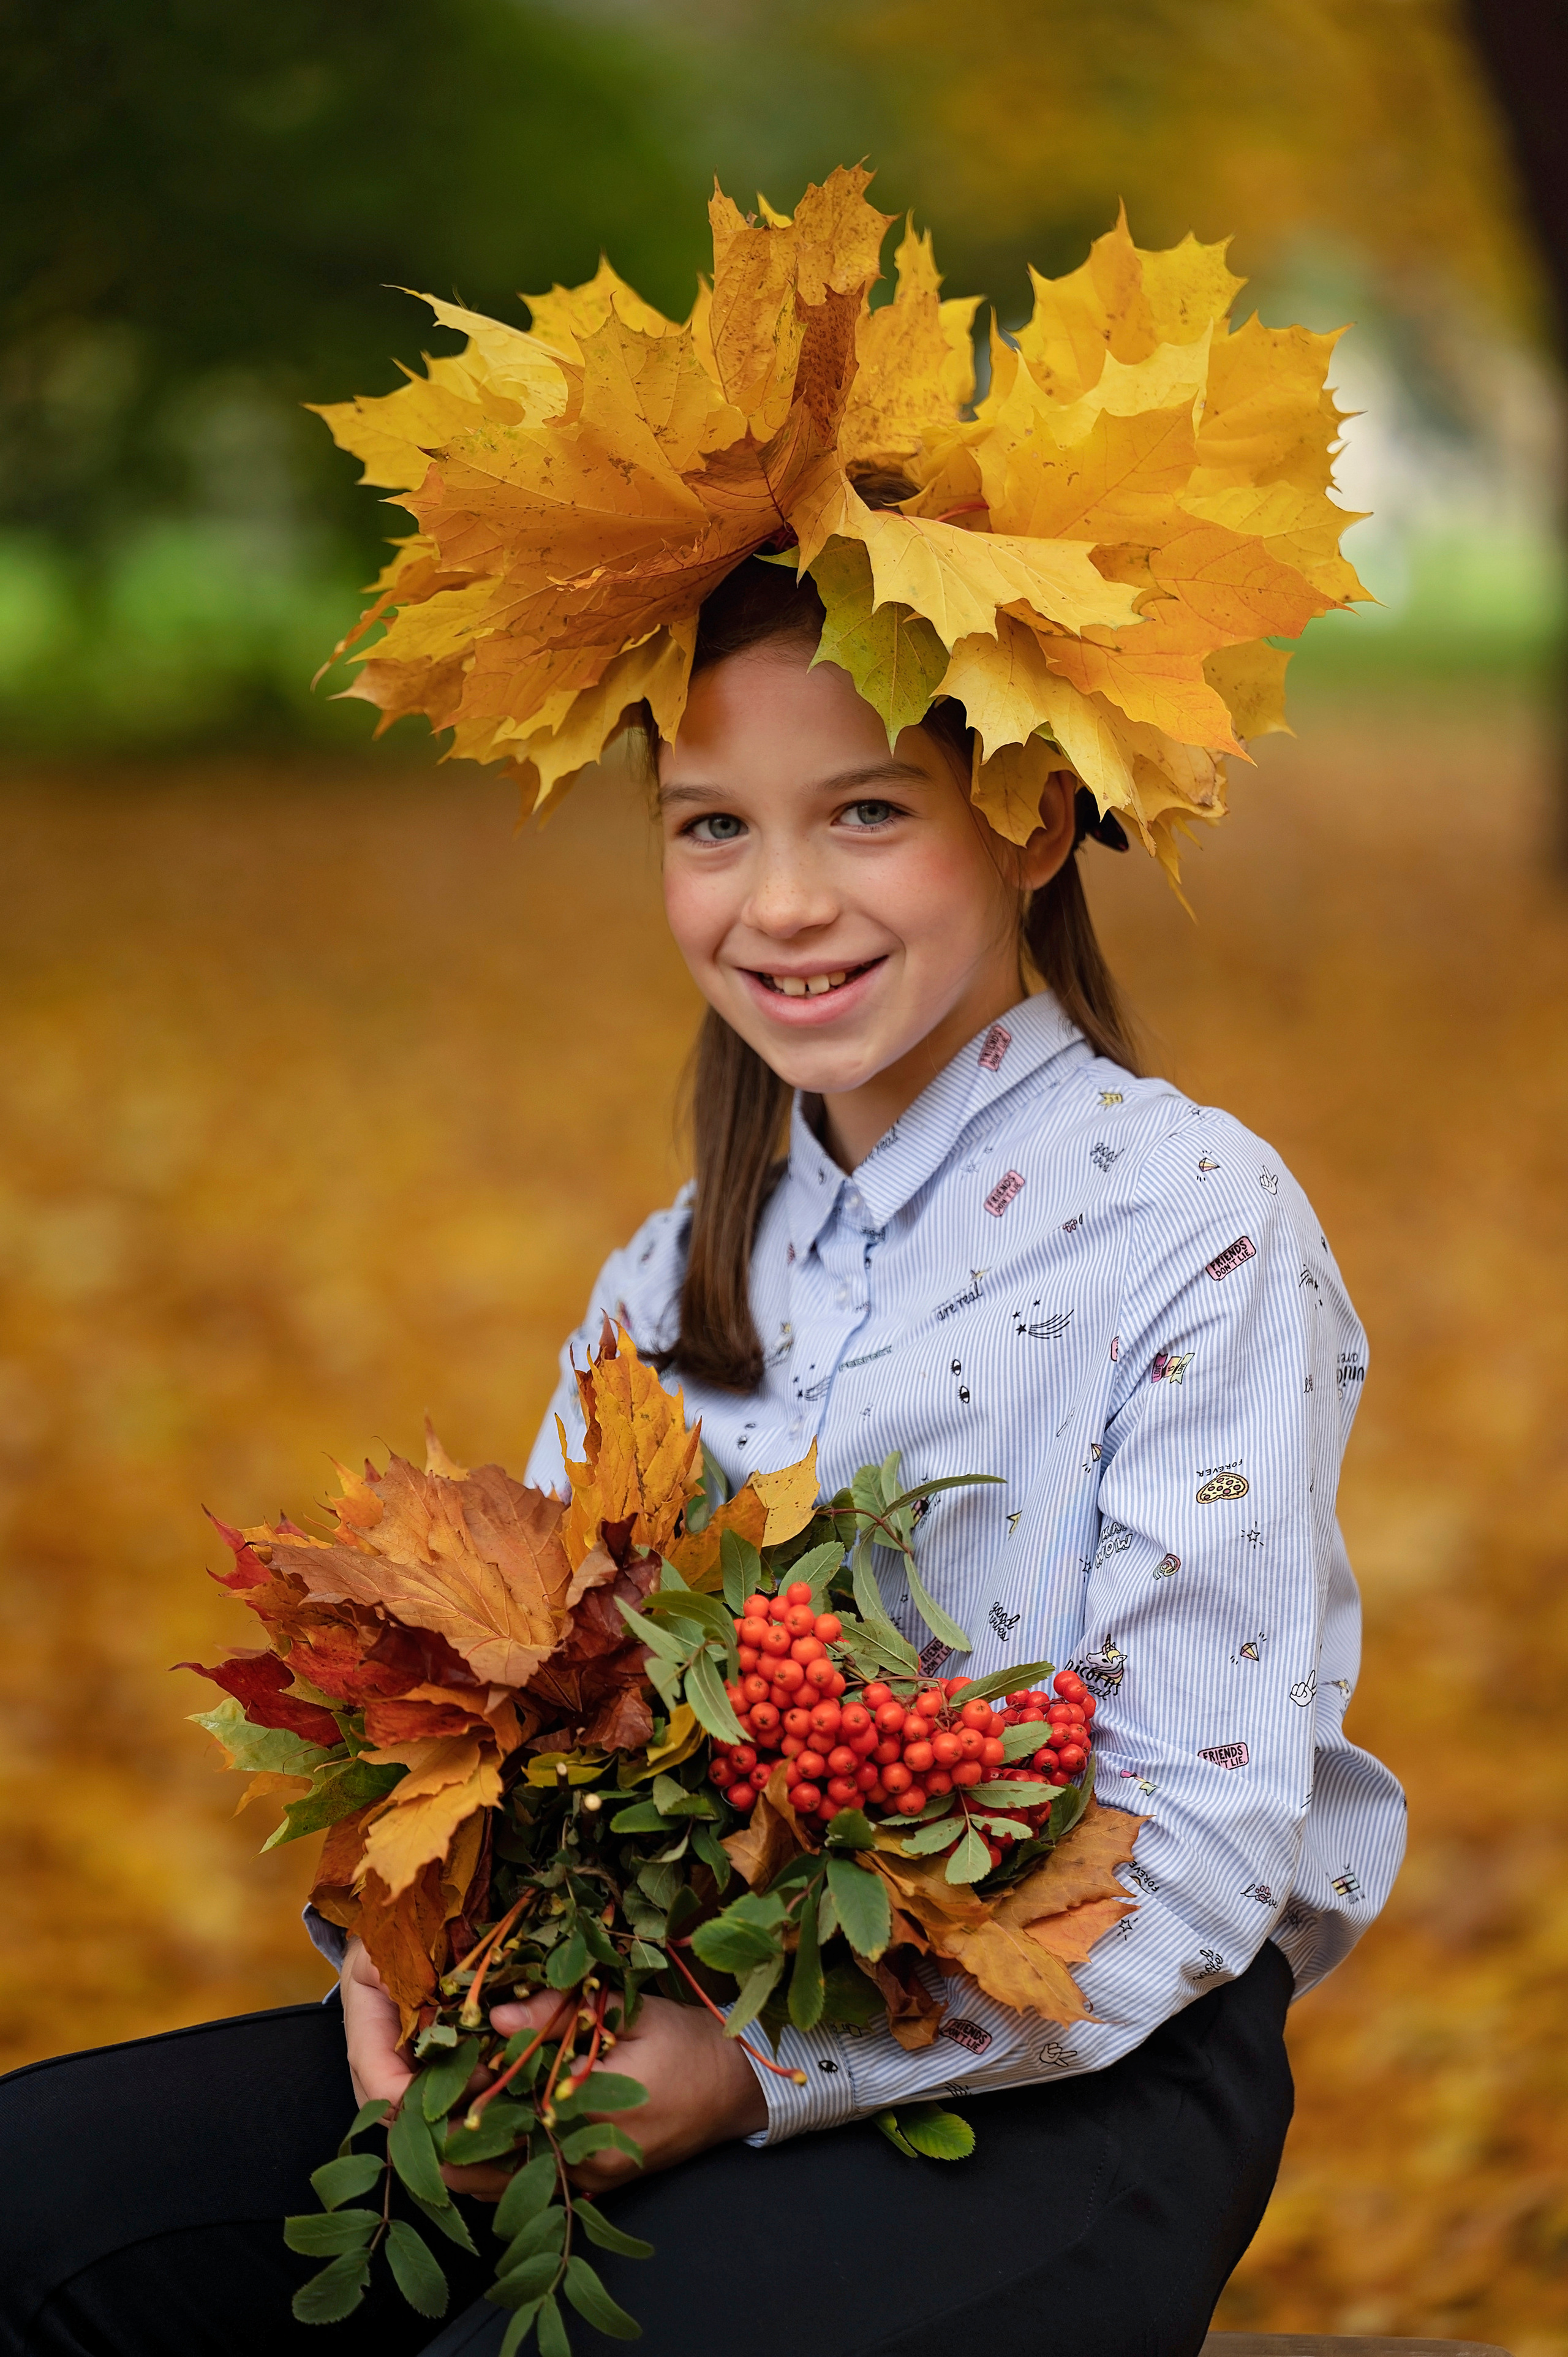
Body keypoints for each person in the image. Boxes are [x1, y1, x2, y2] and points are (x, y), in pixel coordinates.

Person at [0, 177, 1406, 2357]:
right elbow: (542, 1707)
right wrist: (414, 1958)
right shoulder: (675, 1270)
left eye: (866, 814)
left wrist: (758, 2073)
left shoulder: (1195, 1224)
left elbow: (1202, 1841)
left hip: (1068, 2068)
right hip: (657, 1979)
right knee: (39, 2214)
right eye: (711, 826)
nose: (780, 905)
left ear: (1026, 818)